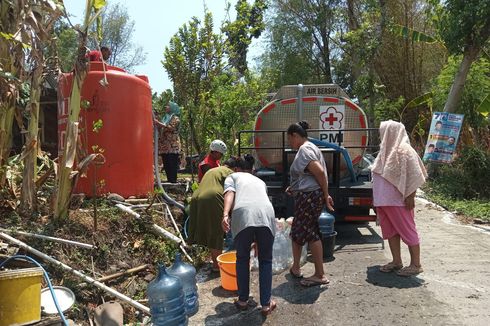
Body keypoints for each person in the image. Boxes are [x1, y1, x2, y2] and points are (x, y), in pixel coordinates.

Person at [371, 120, 428, 277]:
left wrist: (411, 194)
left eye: (383, 131)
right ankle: (396, 261)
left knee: (407, 230)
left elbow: (415, 174)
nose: (380, 134)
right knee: (390, 232)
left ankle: (416, 264)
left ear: (391, 131)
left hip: (398, 201)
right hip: (384, 201)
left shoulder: (404, 150)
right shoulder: (385, 150)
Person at [222, 155, 277, 316]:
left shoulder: (232, 176)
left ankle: (243, 301)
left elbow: (229, 194)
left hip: (243, 214)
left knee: (242, 258)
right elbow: (260, 201)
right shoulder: (260, 181)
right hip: (266, 214)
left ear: (236, 168)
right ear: (252, 169)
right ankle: (266, 304)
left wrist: (225, 214)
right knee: (265, 260)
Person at [286, 121, 334, 287]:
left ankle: (320, 274)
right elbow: (308, 175)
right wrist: (294, 187)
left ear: (295, 135)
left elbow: (319, 172)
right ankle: (296, 267)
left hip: (309, 197)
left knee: (311, 232)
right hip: (306, 194)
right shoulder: (310, 147)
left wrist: (326, 194)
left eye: (289, 140)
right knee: (297, 231)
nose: (289, 143)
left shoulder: (305, 149)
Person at [188, 157, 239, 270]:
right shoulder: (231, 173)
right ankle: (217, 266)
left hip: (196, 197)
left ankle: (214, 261)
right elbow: (233, 194)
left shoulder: (213, 170)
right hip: (213, 197)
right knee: (216, 232)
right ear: (235, 168)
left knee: (209, 231)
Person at [154, 102, 181, 183]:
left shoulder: (175, 118)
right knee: (166, 163)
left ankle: (173, 180)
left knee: (172, 162)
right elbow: (161, 129)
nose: (166, 107)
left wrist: (159, 123)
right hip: (164, 146)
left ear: (173, 108)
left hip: (172, 145)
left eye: (168, 106)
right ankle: (169, 179)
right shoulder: (165, 118)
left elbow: (171, 128)